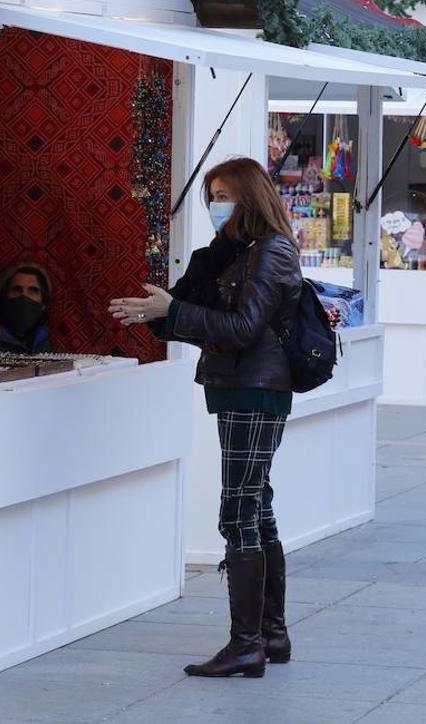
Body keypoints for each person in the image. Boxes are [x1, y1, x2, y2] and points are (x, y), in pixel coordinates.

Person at [109, 157, 302, 679]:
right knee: (255, 507)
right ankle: (270, 633)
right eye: (212, 197)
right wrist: (166, 311)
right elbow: (221, 326)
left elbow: (242, 327)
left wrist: (172, 312)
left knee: (239, 509)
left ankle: (247, 644)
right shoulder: (237, 254)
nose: (217, 206)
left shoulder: (270, 253)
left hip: (253, 391)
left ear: (249, 197)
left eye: (224, 195)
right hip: (242, 387)